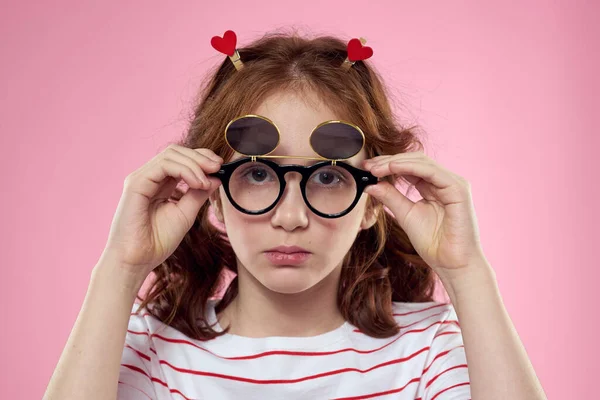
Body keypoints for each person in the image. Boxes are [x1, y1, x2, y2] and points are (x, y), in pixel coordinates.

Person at [43, 30, 547, 400]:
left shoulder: (428, 349)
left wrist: (467, 272)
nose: (289, 217)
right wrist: (119, 268)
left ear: (373, 200)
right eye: (259, 174)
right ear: (212, 192)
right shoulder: (152, 350)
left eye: (327, 178)